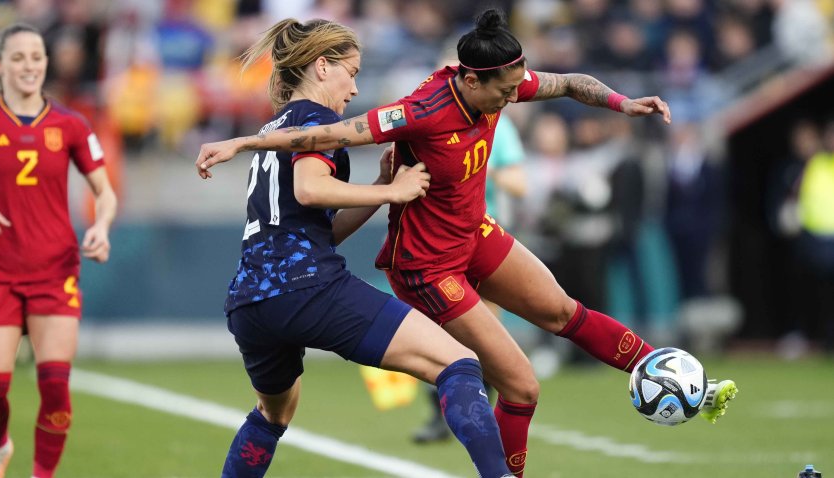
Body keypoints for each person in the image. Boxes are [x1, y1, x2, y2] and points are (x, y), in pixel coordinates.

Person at [196, 10, 738, 477]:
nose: (512, 97)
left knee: (563, 310)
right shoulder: (416, 110)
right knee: (512, 383)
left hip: (449, 241)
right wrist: (245, 140)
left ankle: (680, 380)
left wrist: (623, 103)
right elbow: (320, 161)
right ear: (473, 81)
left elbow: (570, 83)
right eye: (352, 74)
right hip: (421, 265)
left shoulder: (503, 81)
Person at [199, 19, 516, 478]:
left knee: (273, 414)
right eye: (351, 72)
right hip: (308, 287)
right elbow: (310, 189)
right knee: (460, 361)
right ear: (322, 67)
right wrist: (394, 193)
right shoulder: (316, 120)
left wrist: (380, 183)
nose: (354, 88)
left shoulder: (275, 129)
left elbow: (315, 226)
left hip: (250, 302)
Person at [0, 23, 117, 478]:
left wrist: (101, 225)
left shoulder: (71, 124)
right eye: (18, 57)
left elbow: (105, 191)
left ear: (46, 64)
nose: (29, 66)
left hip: (53, 271)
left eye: (36, 57)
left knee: (55, 387)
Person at [412, 112, 527, 444]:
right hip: (436, 240)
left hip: (483, 238)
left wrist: (473, 164)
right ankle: (440, 414)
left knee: (484, 333)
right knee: (437, 330)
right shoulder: (430, 119)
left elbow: (519, 183)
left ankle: (481, 414)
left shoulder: (496, 124)